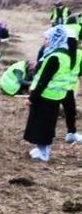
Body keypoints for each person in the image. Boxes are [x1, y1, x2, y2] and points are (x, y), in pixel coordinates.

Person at [25, 26, 75, 161]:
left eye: (47, 38)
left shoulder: (54, 57)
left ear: (55, 39)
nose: (44, 41)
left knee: (41, 125)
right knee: (48, 124)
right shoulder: (65, 54)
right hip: (56, 96)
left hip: (45, 96)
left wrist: (32, 98)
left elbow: (44, 80)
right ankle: (43, 149)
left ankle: (43, 154)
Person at [62, 17, 80, 143]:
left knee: (70, 111)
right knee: (70, 111)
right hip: (63, 88)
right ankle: (71, 132)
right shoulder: (56, 53)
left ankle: (71, 133)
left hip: (64, 88)